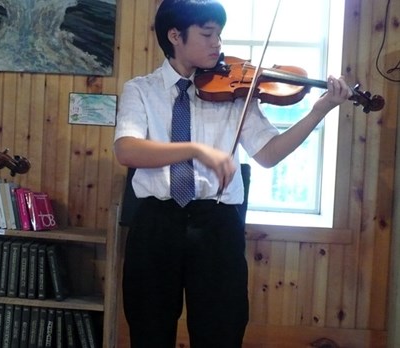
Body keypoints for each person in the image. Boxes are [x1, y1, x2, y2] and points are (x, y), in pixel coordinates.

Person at [113, 0, 352, 347]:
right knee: (149, 330)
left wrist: (319, 110)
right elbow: (127, 150)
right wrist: (196, 150)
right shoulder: (141, 90)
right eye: (207, 33)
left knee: (221, 332)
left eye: (220, 35)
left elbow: (269, 154)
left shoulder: (235, 92)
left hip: (217, 226)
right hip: (156, 224)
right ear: (175, 35)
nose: (218, 44)